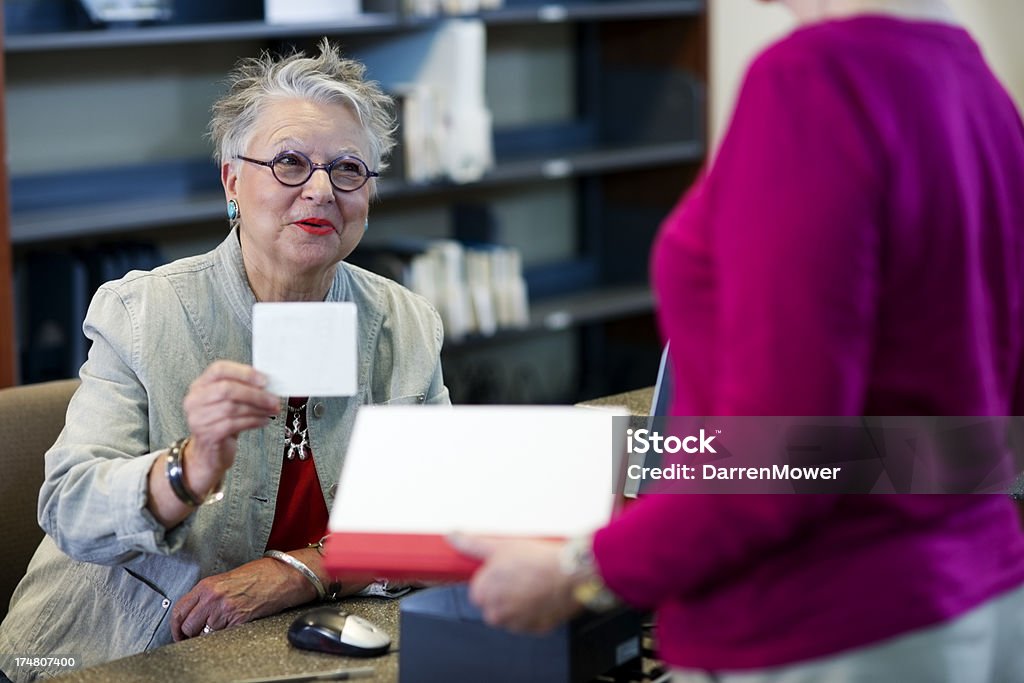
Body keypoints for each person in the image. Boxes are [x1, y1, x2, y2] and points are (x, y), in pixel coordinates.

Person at [451, 0, 1024, 680]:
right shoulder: (976, 84)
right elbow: (985, 420)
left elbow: (781, 455)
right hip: (975, 596)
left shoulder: (813, 80)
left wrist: (578, 570)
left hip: (822, 624)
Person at [0, 40, 449, 682]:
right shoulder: (142, 311)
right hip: (114, 654)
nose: (321, 189)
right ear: (232, 179)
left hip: (287, 648)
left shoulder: (405, 323)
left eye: (349, 169)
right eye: (289, 162)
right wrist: (187, 468)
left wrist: (306, 571)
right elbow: (69, 506)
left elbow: (438, 516)